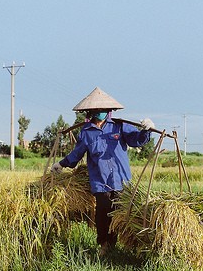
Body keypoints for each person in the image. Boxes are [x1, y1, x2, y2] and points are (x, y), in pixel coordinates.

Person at [51, 87, 154, 256]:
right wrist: (62, 164)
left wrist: (146, 131)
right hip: (100, 181)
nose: (100, 113)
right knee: (103, 215)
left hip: (121, 180)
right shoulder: (87, 132)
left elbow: (137, 140)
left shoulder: (119, 127)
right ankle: (105, 245)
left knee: (124, 214)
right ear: (90, 112)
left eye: (103, 110)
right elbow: (77, 153)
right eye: (96, 110)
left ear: (109, 111)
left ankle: (129, 245)